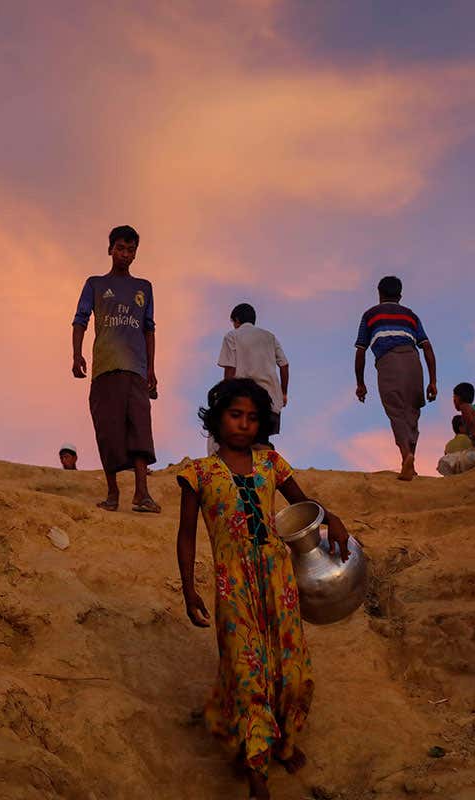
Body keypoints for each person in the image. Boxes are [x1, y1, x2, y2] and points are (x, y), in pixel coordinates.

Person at [176, 378, 350, 800]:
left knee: (290, 669)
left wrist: (333, 518)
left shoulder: (271, 462)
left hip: (279, 580)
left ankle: (284, 741)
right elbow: (186, 536)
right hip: (232, 585)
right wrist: (188, 587)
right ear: (217, 420)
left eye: (252, 418)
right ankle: (257, 769)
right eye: (235, 415)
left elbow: (302, 504)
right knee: (246, 669)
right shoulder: (196, 473)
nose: (244, 424)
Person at [72, 225, 160, 513]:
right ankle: (112, 494)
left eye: (131, 249)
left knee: (140, 428)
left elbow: (149, 329)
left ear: (136, 253)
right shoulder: (95, 284)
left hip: (135, 369)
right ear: (110, 249)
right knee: (107, 429)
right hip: (105, 367)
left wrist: (151, 369)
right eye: (120, 248)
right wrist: (77, 354)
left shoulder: (143, 288)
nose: (125, 254)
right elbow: (80, 319)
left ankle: (142, 494)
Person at [354, 276, 438, 480]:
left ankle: (406, 456)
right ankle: (410, 462)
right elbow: (426, 346)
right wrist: (433, 381)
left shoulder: (370, 315)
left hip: (388, 362)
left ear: (379, 293)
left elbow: (360, 351)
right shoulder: (411, 315)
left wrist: (360, 383)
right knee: (412, 412)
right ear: (400, 295)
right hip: (413, 361)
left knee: (396, 412)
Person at [215, 303, 288, 450]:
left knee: (242, 443)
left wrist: (224, 396)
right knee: (261, 439)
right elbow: (284, 366)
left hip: (245, 401)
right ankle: (268, 460)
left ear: (236, 320)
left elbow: (230, 369)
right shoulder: (269, 337)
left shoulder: (232, 336)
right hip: (272, 401)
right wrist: (283, 393)